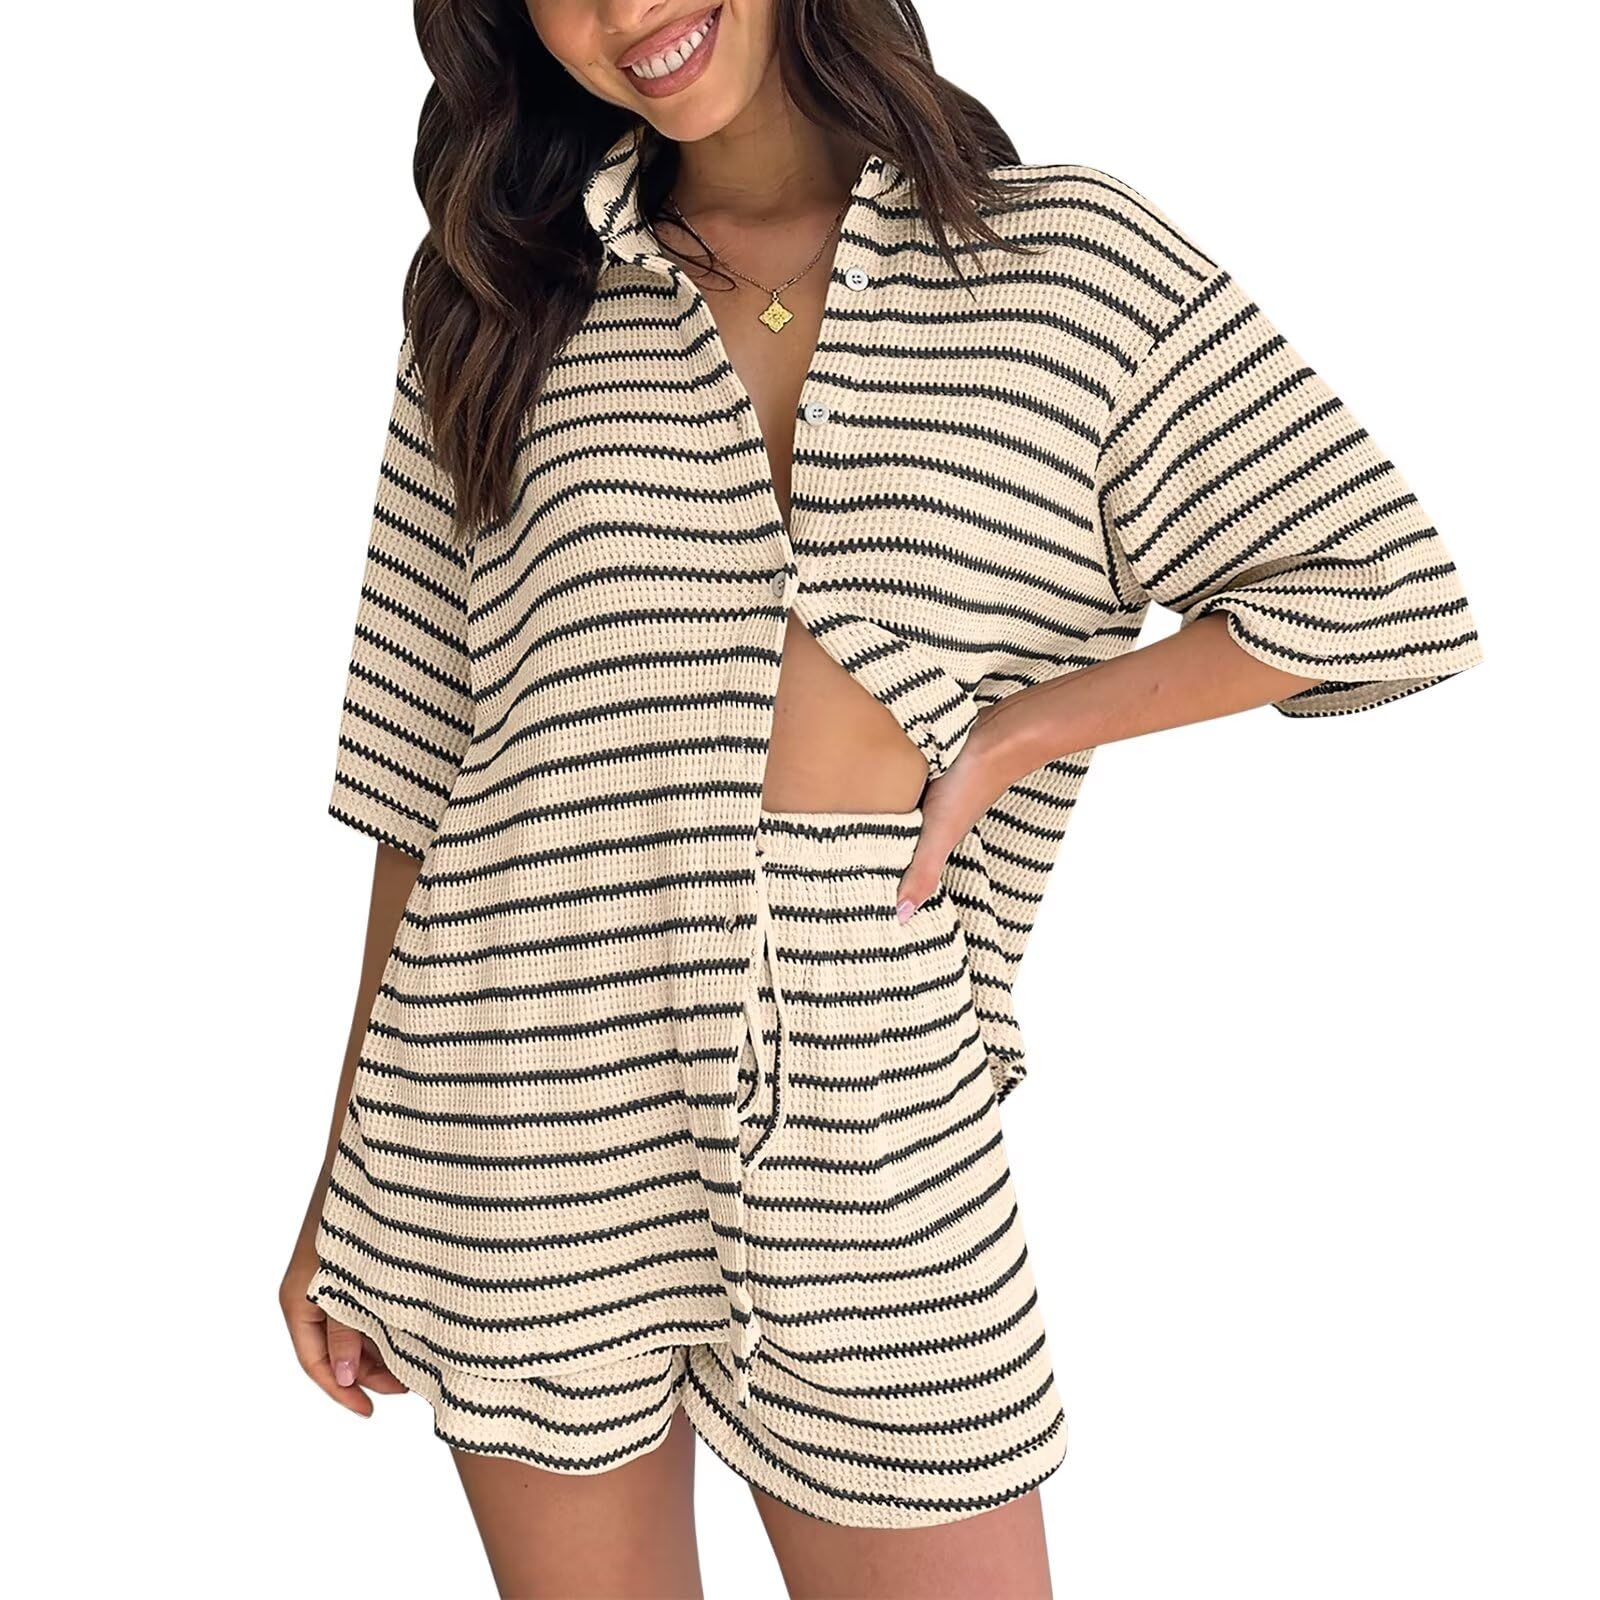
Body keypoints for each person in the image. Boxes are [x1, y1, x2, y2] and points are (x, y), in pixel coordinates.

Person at [278, 2, 1484, 1594]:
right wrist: (342, 1183)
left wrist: (1025, 728)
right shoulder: (498, 299)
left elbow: (1382, 587)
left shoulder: (1065, 261)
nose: (623, 11)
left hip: (874, 1088)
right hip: (512, 1094)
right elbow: (416, 765)